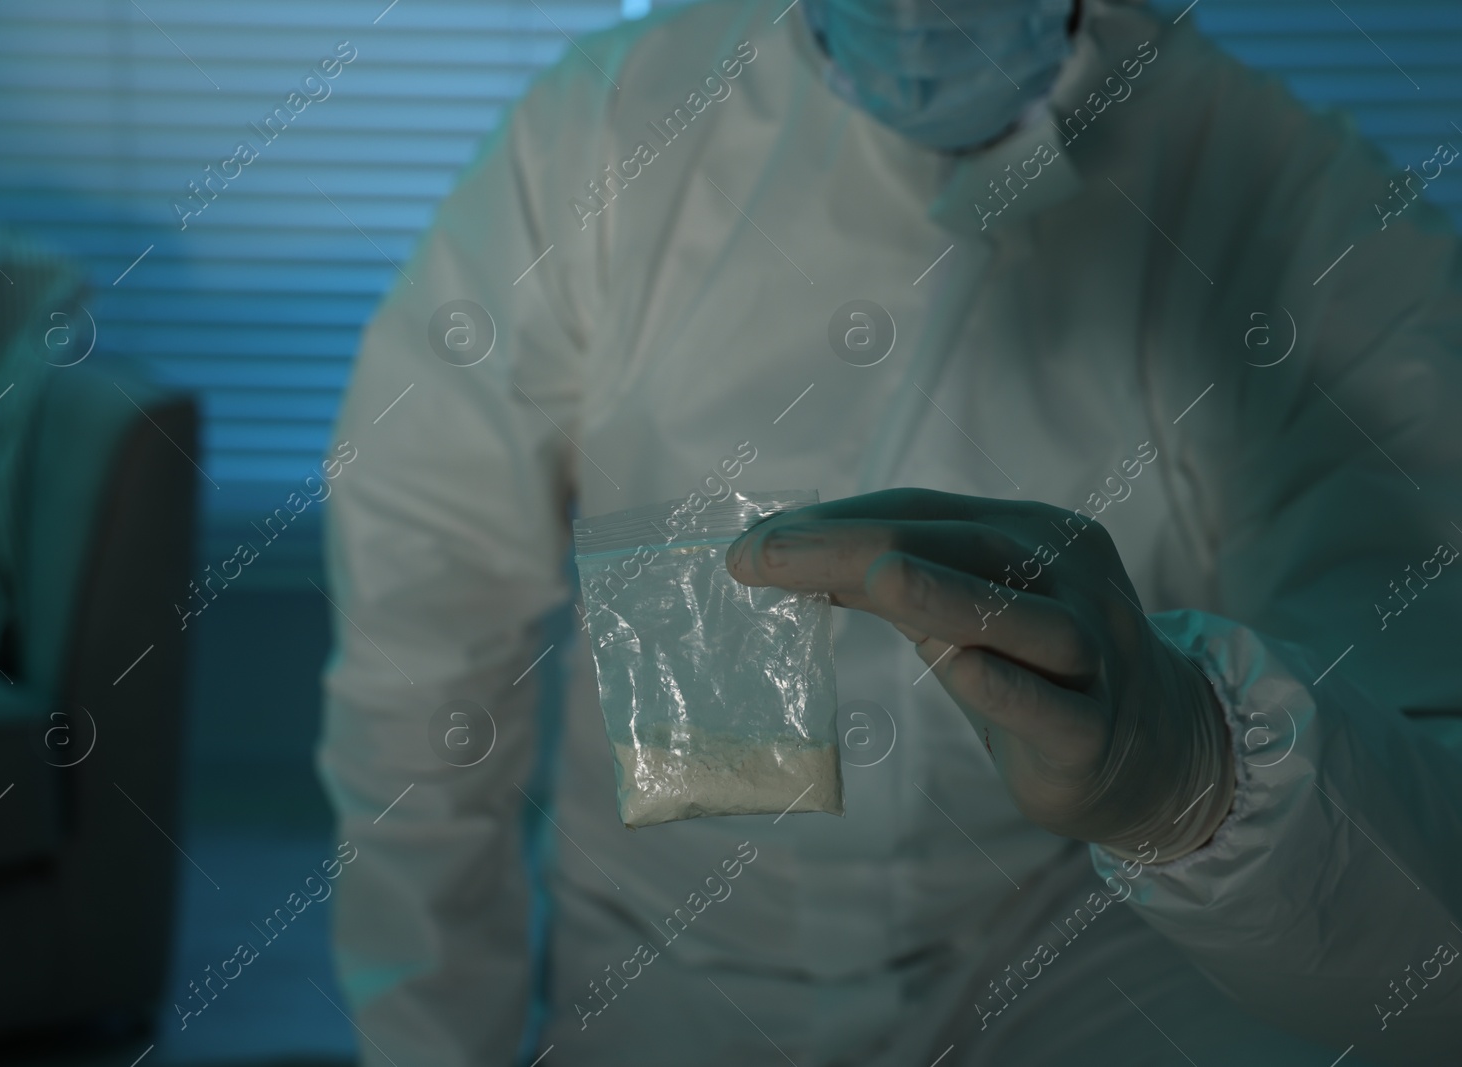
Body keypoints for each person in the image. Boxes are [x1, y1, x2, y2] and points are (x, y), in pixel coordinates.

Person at [316, 0, 1462, 1062]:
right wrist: (433, 1039)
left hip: (1089, 969)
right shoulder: (605, 135)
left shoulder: (1313, 221)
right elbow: (426, 629)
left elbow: (1425, 935)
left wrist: (1198, 777)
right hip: (665, 968)